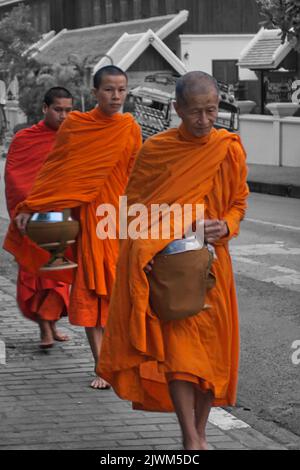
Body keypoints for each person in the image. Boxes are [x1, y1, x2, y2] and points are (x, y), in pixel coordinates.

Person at [97, 71, 249, 450]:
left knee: (212, 355)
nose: (203, 120)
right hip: (169, 268)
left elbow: (238, 202)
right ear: (177, 108)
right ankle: (190, 436)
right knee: (181, 354)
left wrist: (226, 226)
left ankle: (200, 431)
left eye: (211, 111)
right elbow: (133, 211)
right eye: (195, 112)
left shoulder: (228, 148)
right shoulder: (157, 150)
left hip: (213, 265)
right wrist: (143, 255)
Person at [4, 65, 142, 389]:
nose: (116, 96)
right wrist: (31, 206)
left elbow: (138, 173)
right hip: (90, 220)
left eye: (122, 89)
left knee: (121, 294)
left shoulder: (130, 127)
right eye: (109, 89)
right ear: (94, 93)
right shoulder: (78, 126)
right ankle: (101, 367)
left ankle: (118, 359)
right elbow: (54, 173)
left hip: (118, 219)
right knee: (93, 291)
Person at [4, 87, 73, 349]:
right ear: (45, 109)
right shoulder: (25, 139)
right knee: (37, 273)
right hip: (34, 219)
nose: (64, 116)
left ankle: (52, 325)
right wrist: (31, 207)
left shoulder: (74, 139)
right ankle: (45, 328)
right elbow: (15, 178)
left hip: (63, 216)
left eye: (68, 110)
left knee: (57, 274)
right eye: (58, 110)